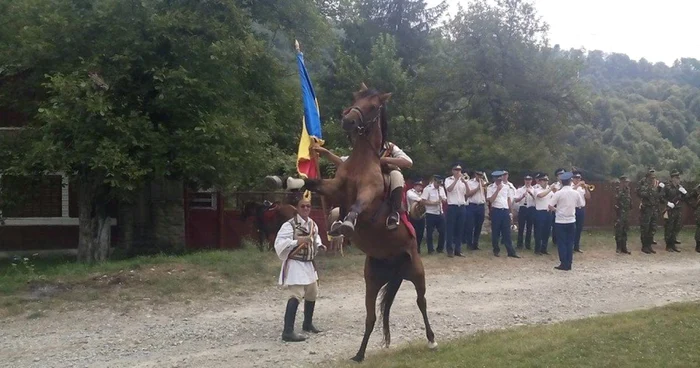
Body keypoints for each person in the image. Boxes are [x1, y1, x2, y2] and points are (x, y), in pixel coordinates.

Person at [311, 140, 413, 230]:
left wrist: (385, 160)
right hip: (367, 178)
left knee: (397, 176)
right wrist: (326, 153)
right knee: (348, 180)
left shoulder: (389, 147)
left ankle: (394, 212)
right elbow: (343, 161)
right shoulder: (363, 150)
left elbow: (408, 162)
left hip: (387, 173)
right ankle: (342, 217)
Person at [274, 196, 326, 342]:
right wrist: (298, 241)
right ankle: (288, 331)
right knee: (296, 295)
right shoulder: (289, 226)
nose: (306, 209)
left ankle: (307, 323)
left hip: (308, 264)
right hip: (295, 264)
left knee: (312, 292)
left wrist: (320, 245)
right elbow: (279, 244)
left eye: (308, 206)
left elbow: (316, 238)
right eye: (303, 206)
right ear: (297, 208)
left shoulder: (312, 224)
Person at [548, 172, 584, 271]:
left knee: (562, 243)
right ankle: (569, 263)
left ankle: (563, 263)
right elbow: (580, 204)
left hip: (560, 220)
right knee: (570, 242)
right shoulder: (575, 193)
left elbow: (550, 205)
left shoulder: (558, 193)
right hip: (571, 220)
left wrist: (557, 210)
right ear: (570, 181)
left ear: (562, 182)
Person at [486, 171, 520, 258]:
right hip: (496, 211)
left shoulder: (507, 187)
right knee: (496, 232)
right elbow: (491, 200)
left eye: (500, 179)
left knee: (507, 232)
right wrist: (497, 190)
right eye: (497, 179)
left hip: (505, 211)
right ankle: (496, 250)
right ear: (494, 179)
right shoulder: (490, 187)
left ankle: (511, 251)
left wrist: (510, 211)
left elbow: (508, 199)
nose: (499, 181)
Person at [637, 168, 663, 254]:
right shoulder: (644, 185)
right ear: (648, 177)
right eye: (652, 177)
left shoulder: (655, 186)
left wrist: (659, 189)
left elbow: (658, 197)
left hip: (654, 209)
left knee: (653, 228)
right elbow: (641, 194)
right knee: (645, 228)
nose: (653, 179)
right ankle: (644, 246)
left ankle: (649, 245)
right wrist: (650, 189)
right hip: (647, 209)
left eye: (654, 177)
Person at [444, 163, 468, 257]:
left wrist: (465, 182)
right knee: (450, 229)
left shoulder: (463, 181)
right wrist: (456, 180)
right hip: (452, 206)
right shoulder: (448, 180)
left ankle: (458, 250)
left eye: (459, 170)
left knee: (460, 229)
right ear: (453, 171)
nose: (458, 172)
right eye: (456, 170)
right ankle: (449, 250)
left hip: (462, 206)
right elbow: (449, 189)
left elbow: (467, 193)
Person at [661, 170, 686, 252]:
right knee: (669, 227)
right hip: (670, 210)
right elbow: (661, 197)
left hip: (678, 209)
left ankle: (673, 244)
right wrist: (667, 203)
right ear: (672, 179)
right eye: (676, 178)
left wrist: (684, 193)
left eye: (678, 178)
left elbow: (686, 198)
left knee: (676, 227)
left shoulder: (680, 187)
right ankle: (668, 245)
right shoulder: (667, 187)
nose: (678, 179)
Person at [421, 175, 447, 254]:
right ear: (434, 181)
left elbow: (445, 200)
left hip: (439, 212)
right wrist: (433, 203)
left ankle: (440, 248)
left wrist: (443, 199)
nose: (439, 185)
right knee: (430, 232)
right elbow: (423, 201)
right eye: (438, 183)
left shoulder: (441, 189)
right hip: (430, 213)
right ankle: (430, 249)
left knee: (443, 231)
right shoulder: (427, 189)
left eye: (440, 183)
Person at [464, 170, 487, 250]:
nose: (479, 177)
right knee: (470, 226)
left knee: (479, 226)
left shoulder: (484, 183)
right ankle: (469, 244)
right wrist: (478, 188)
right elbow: (468, 194)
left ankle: (475, 244)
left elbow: (486, 195)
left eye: (481, 175)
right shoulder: (470, 182)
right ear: (475, 175)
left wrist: (485, 187)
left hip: (481, 206)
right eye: (478, 175)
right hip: (471, 205)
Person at [571, 172, 592, 253]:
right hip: (573, 209)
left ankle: (576, 246)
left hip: (581, 209)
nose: (578, 179)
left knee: (579, 228)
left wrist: (586, 188)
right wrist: (578, 185)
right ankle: (571, 245)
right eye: (576, 178)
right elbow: (571, 192)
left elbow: (588, 197)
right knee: (573, 228)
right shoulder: (570, 186)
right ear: (573, 179)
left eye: (579, 178)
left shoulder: (582, 188)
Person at [534, 174, 554, 255]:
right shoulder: (537, 189)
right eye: (543, 181)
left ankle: (544, 248)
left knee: (547, 231)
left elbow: (554, 198)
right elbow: (541, 195)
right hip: (540, 212)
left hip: (548, 212)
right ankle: (537, 249)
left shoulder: (550, 190)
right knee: (539, 232)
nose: (545, 182)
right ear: (540, 182)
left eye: (546, 181)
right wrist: (550, 189)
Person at [515, 174, 536, 250]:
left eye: (529, 180)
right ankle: (519, 244)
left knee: (529, 227)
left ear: (531, 181)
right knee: (521, 227)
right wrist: (522, 196)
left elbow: (537, 200)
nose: (528, 181)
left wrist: (531, 194)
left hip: (531, 208)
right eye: (526, 180)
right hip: (523, 208)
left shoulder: (534, 189)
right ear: (524, 181)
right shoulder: (520, 190)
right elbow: (516, 200)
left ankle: (528, 245)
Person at [406, 179, 426, 253]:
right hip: (412, 215)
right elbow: (417, 199)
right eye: (418, 186)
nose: (420, 187)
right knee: (413, 232)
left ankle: (418, 248)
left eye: (421, 186)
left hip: (421, 215)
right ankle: (412, 248)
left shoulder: (422, 193)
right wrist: (424, 200)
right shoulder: (409, 192)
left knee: (420, 232)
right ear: (414, 186)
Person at [614, 175, 632, 255]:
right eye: (625, 182)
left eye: (627, 182)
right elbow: (617, 198)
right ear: (622, 182)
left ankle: (624, 247)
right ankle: (618, 247)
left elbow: (629, 199)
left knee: (625, 230)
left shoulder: (628, 189)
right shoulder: (618, 189)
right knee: (619, 230)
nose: (627, 184)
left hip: (626, 212)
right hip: (620, 212)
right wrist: (622, 189)